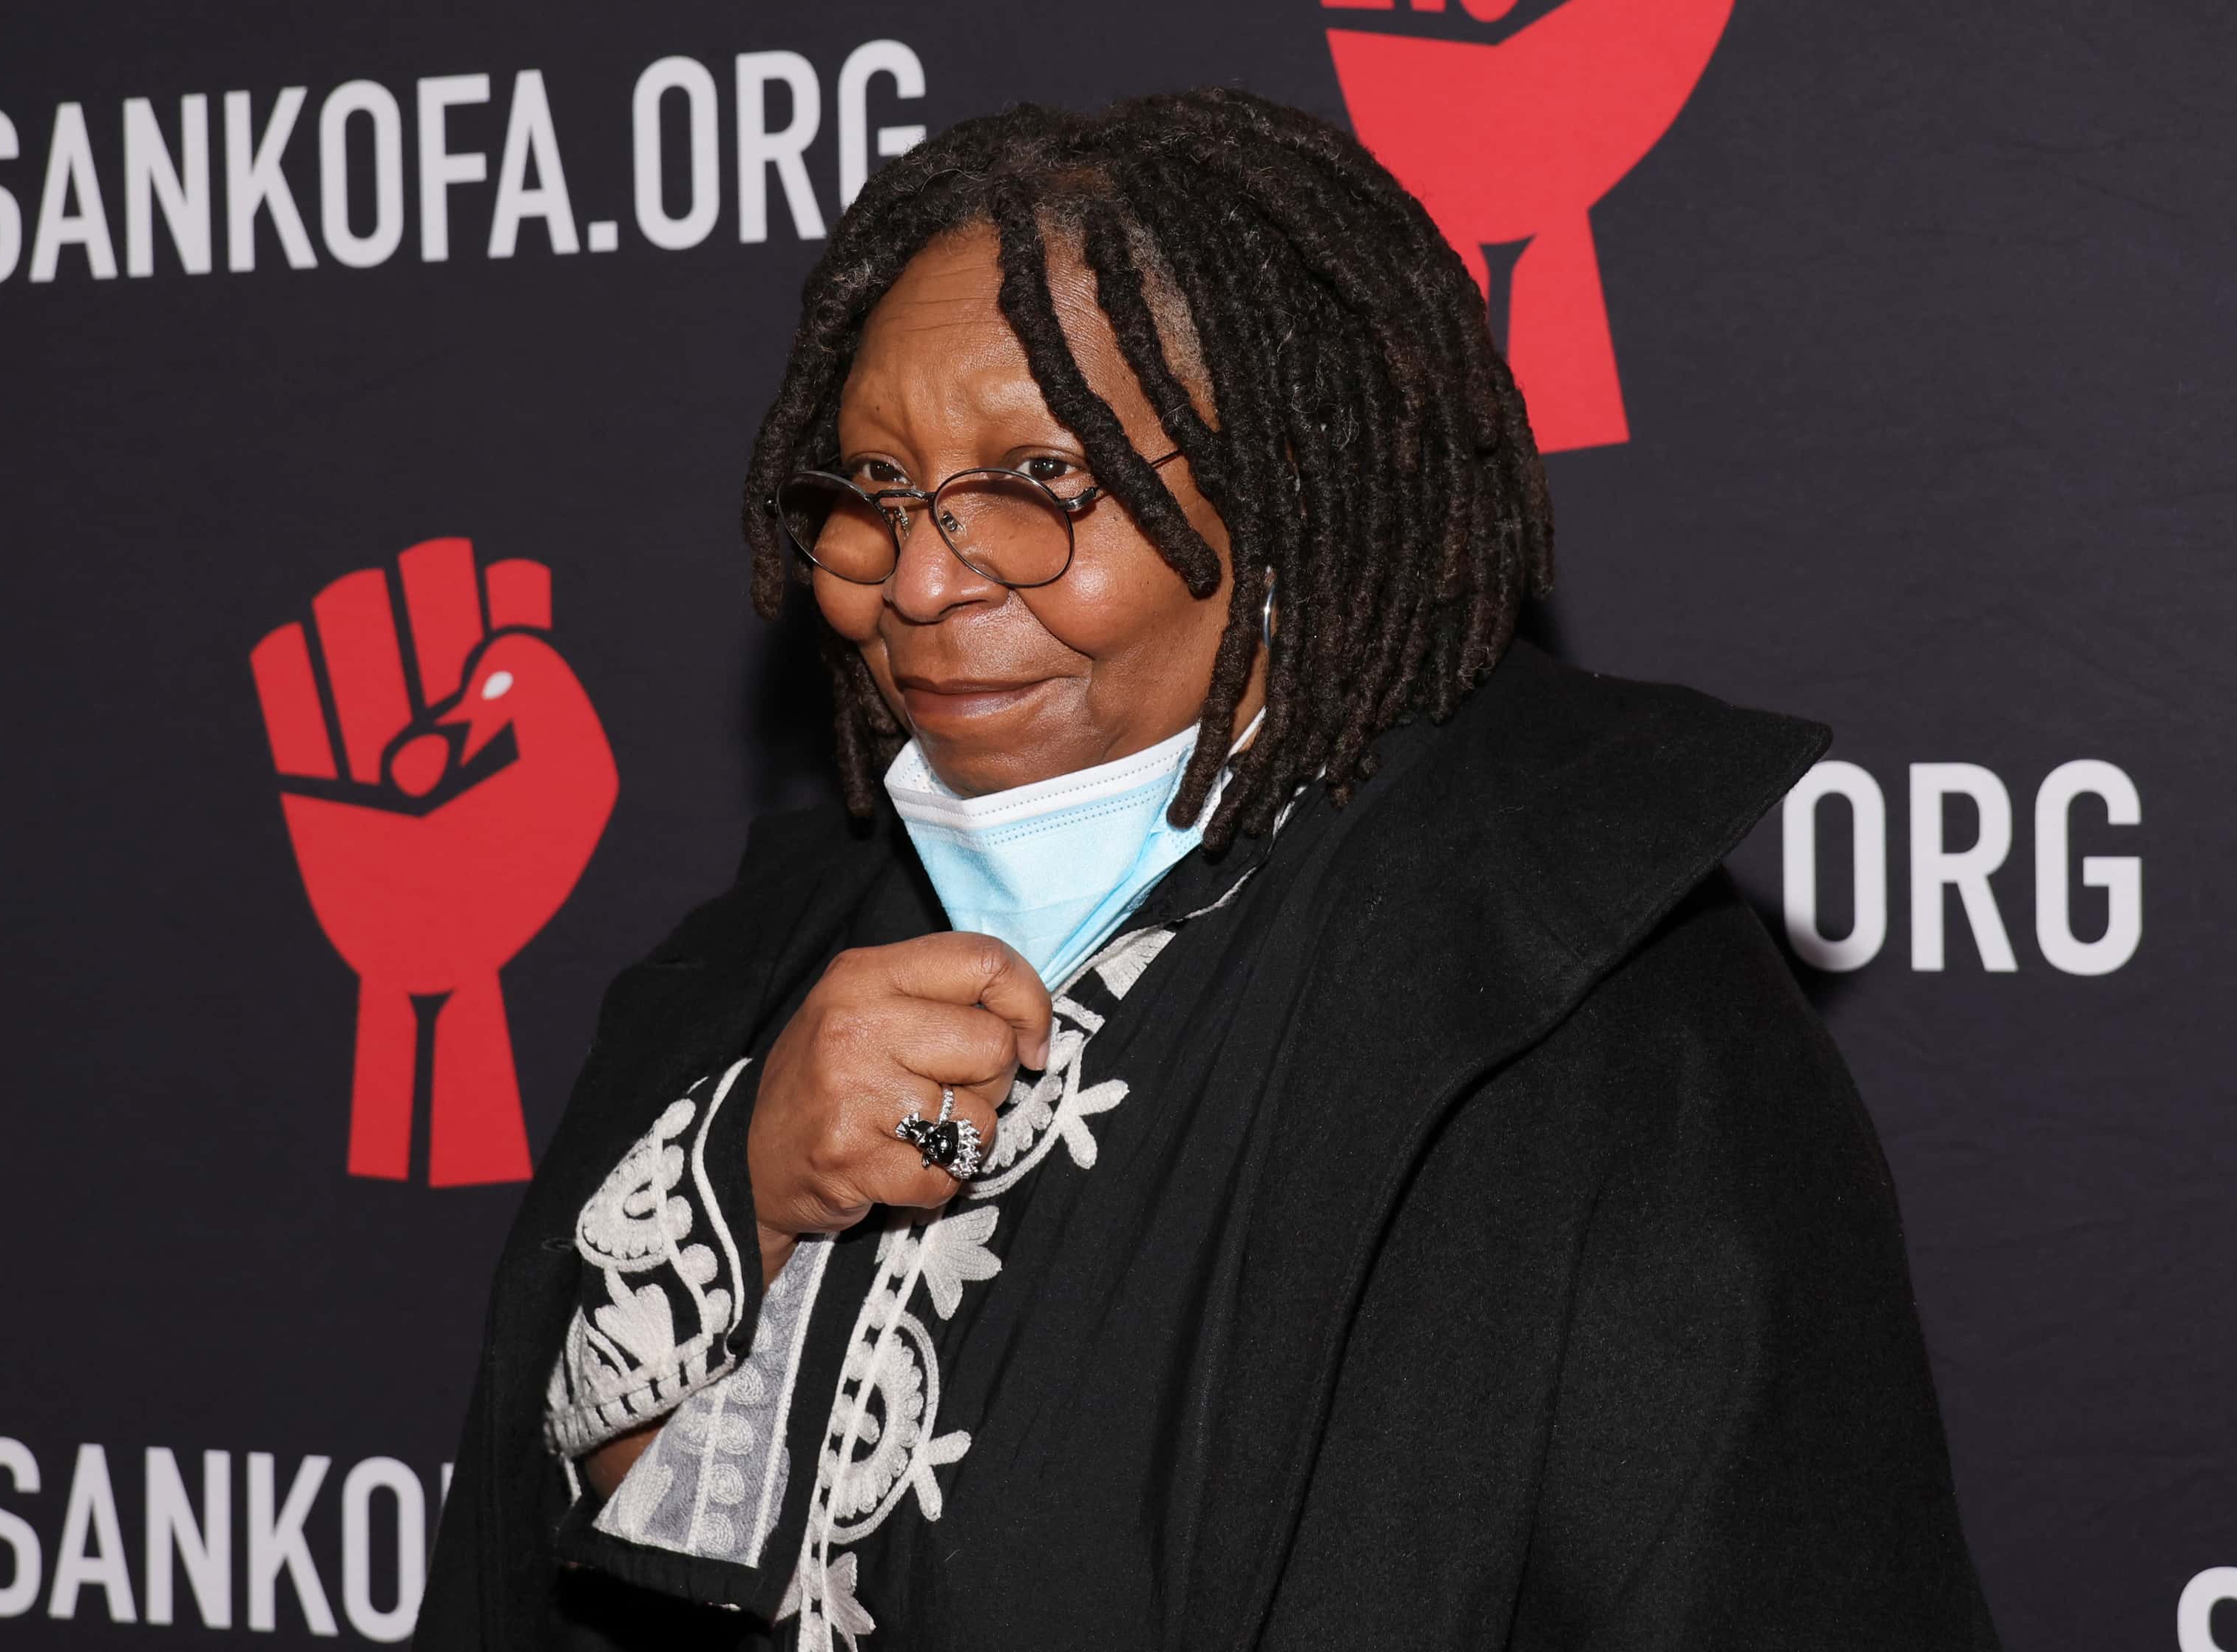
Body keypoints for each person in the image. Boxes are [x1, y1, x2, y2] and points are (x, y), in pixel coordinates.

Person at [414, 88, 2000, 1651]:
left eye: (1038, 485)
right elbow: (598, 1580)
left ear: (1288, 499)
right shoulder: (759, 958)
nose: (913, 580)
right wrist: (738, 1211)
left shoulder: (1586, 1025)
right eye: (873, 494)